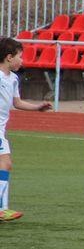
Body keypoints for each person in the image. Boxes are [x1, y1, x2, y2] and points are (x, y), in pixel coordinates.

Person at [0, 37, 52, 222]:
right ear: (8, 57)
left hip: (1, 130)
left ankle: (2, 208)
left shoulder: (13, 79)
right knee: (4, 164)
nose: (22, 61)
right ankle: (1, 208)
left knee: (6, 164)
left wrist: (37, 107)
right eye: (20, 56)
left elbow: (17, 102)